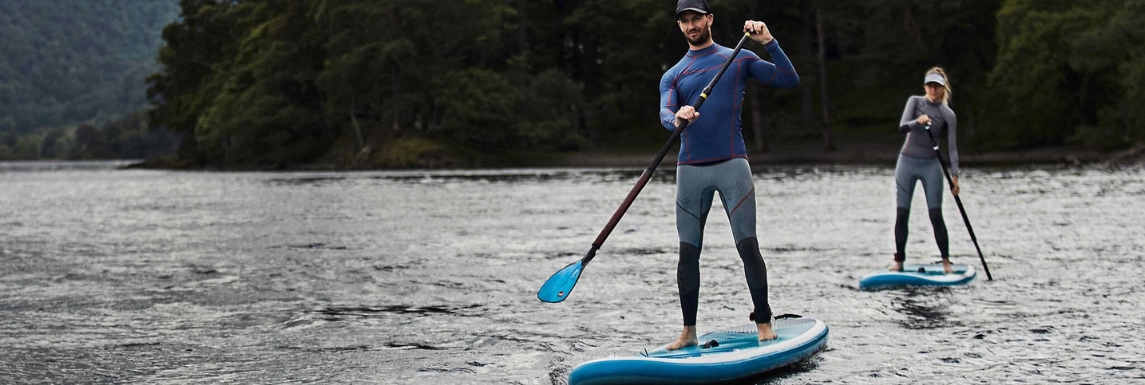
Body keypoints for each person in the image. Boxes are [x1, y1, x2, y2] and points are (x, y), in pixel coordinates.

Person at [658, 0, 799, 350]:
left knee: (747, 244)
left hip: (732, 165)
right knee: (688, 253)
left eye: (696, 19)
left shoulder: (738, 58)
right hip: (689, 170)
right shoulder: (673, 74)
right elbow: (664, 111)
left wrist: (768, 42)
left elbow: (788, 79)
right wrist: (678, 117)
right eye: (684, 21)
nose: (691, 26)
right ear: (680, 26)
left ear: (709, 19)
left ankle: (763, 321)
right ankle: (688, 331)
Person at [889, 67, 960, 274]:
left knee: (935, 214)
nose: (933, 90)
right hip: (907, 163)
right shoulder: (915, 102)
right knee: (902, 213)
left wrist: (955, 177)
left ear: (943, 88)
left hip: (931, 165)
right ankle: (899, 261)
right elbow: (902, 126)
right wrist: (917, 121)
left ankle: (946, 261)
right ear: (925, 87)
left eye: (937, 86)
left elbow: (953, 148)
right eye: (930, 85)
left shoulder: (948, 115)